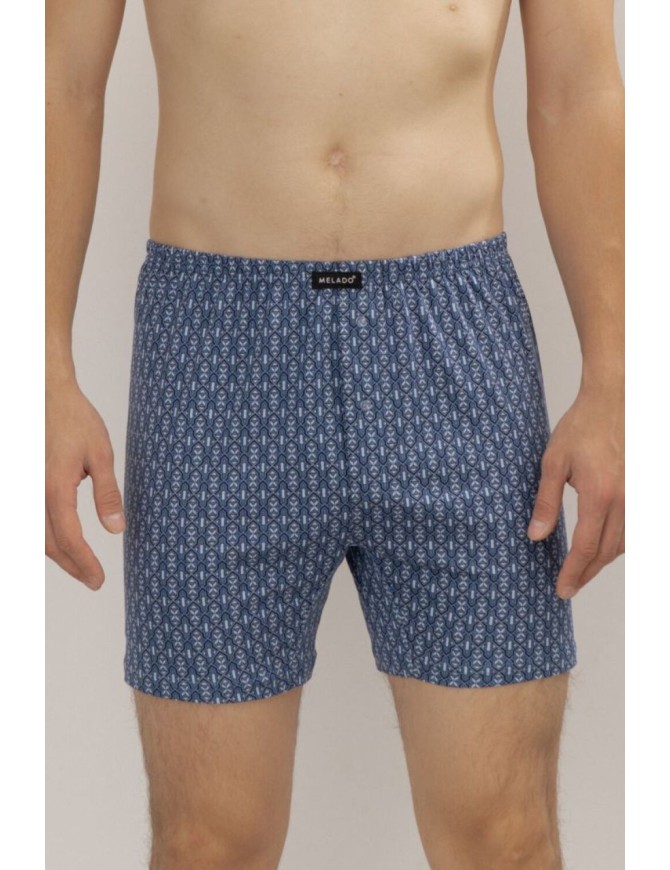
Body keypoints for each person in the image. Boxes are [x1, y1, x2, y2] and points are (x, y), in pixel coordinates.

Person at [46, 1, 624, 867]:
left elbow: (578, 90)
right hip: (217, 352)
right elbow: (59, 80)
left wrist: (615, 380)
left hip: (454, 340)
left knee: (504, 836)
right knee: (208, 844)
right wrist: (42, 370)